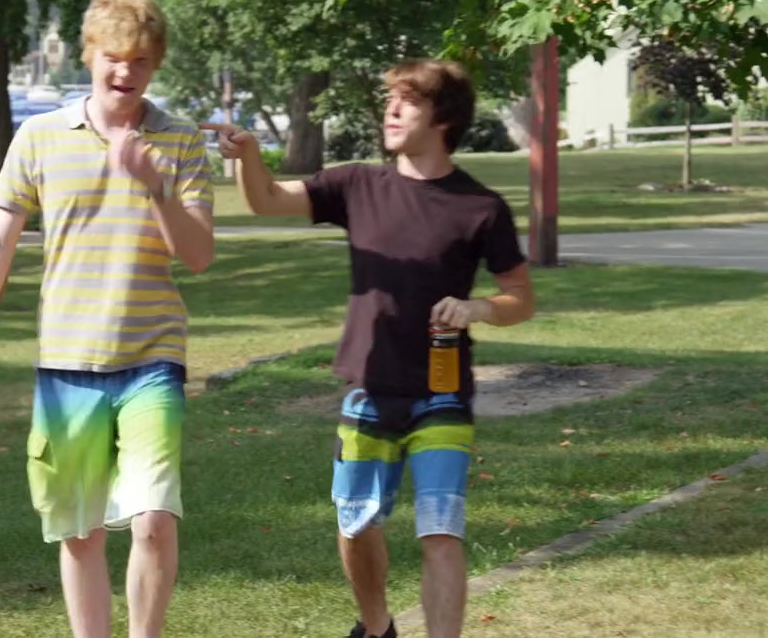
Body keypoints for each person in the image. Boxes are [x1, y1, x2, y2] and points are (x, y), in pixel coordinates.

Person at [205, 58, 536, 638]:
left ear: (443, 119)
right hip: (370, 388)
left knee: (441, 529)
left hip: (442, 393)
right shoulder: (357, 185)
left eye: (409, 101)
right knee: (355, 522)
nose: (392, 110)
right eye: (390, 101)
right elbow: (268, 200)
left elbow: (521, 298)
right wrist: (249, 156)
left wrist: (479, 308)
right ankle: (377, 626)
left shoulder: (481, 207)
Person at [0, 0, 215, 638]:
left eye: (140, 61)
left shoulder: (179, 141)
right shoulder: (40, 137)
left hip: (152, 358)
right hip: (66, 361)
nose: (125, 72)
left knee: (154, 519)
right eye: (114, 57)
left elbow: (199, 255)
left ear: (155, 64)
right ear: (89, 54)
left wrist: (155, 185)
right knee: (81, 532)